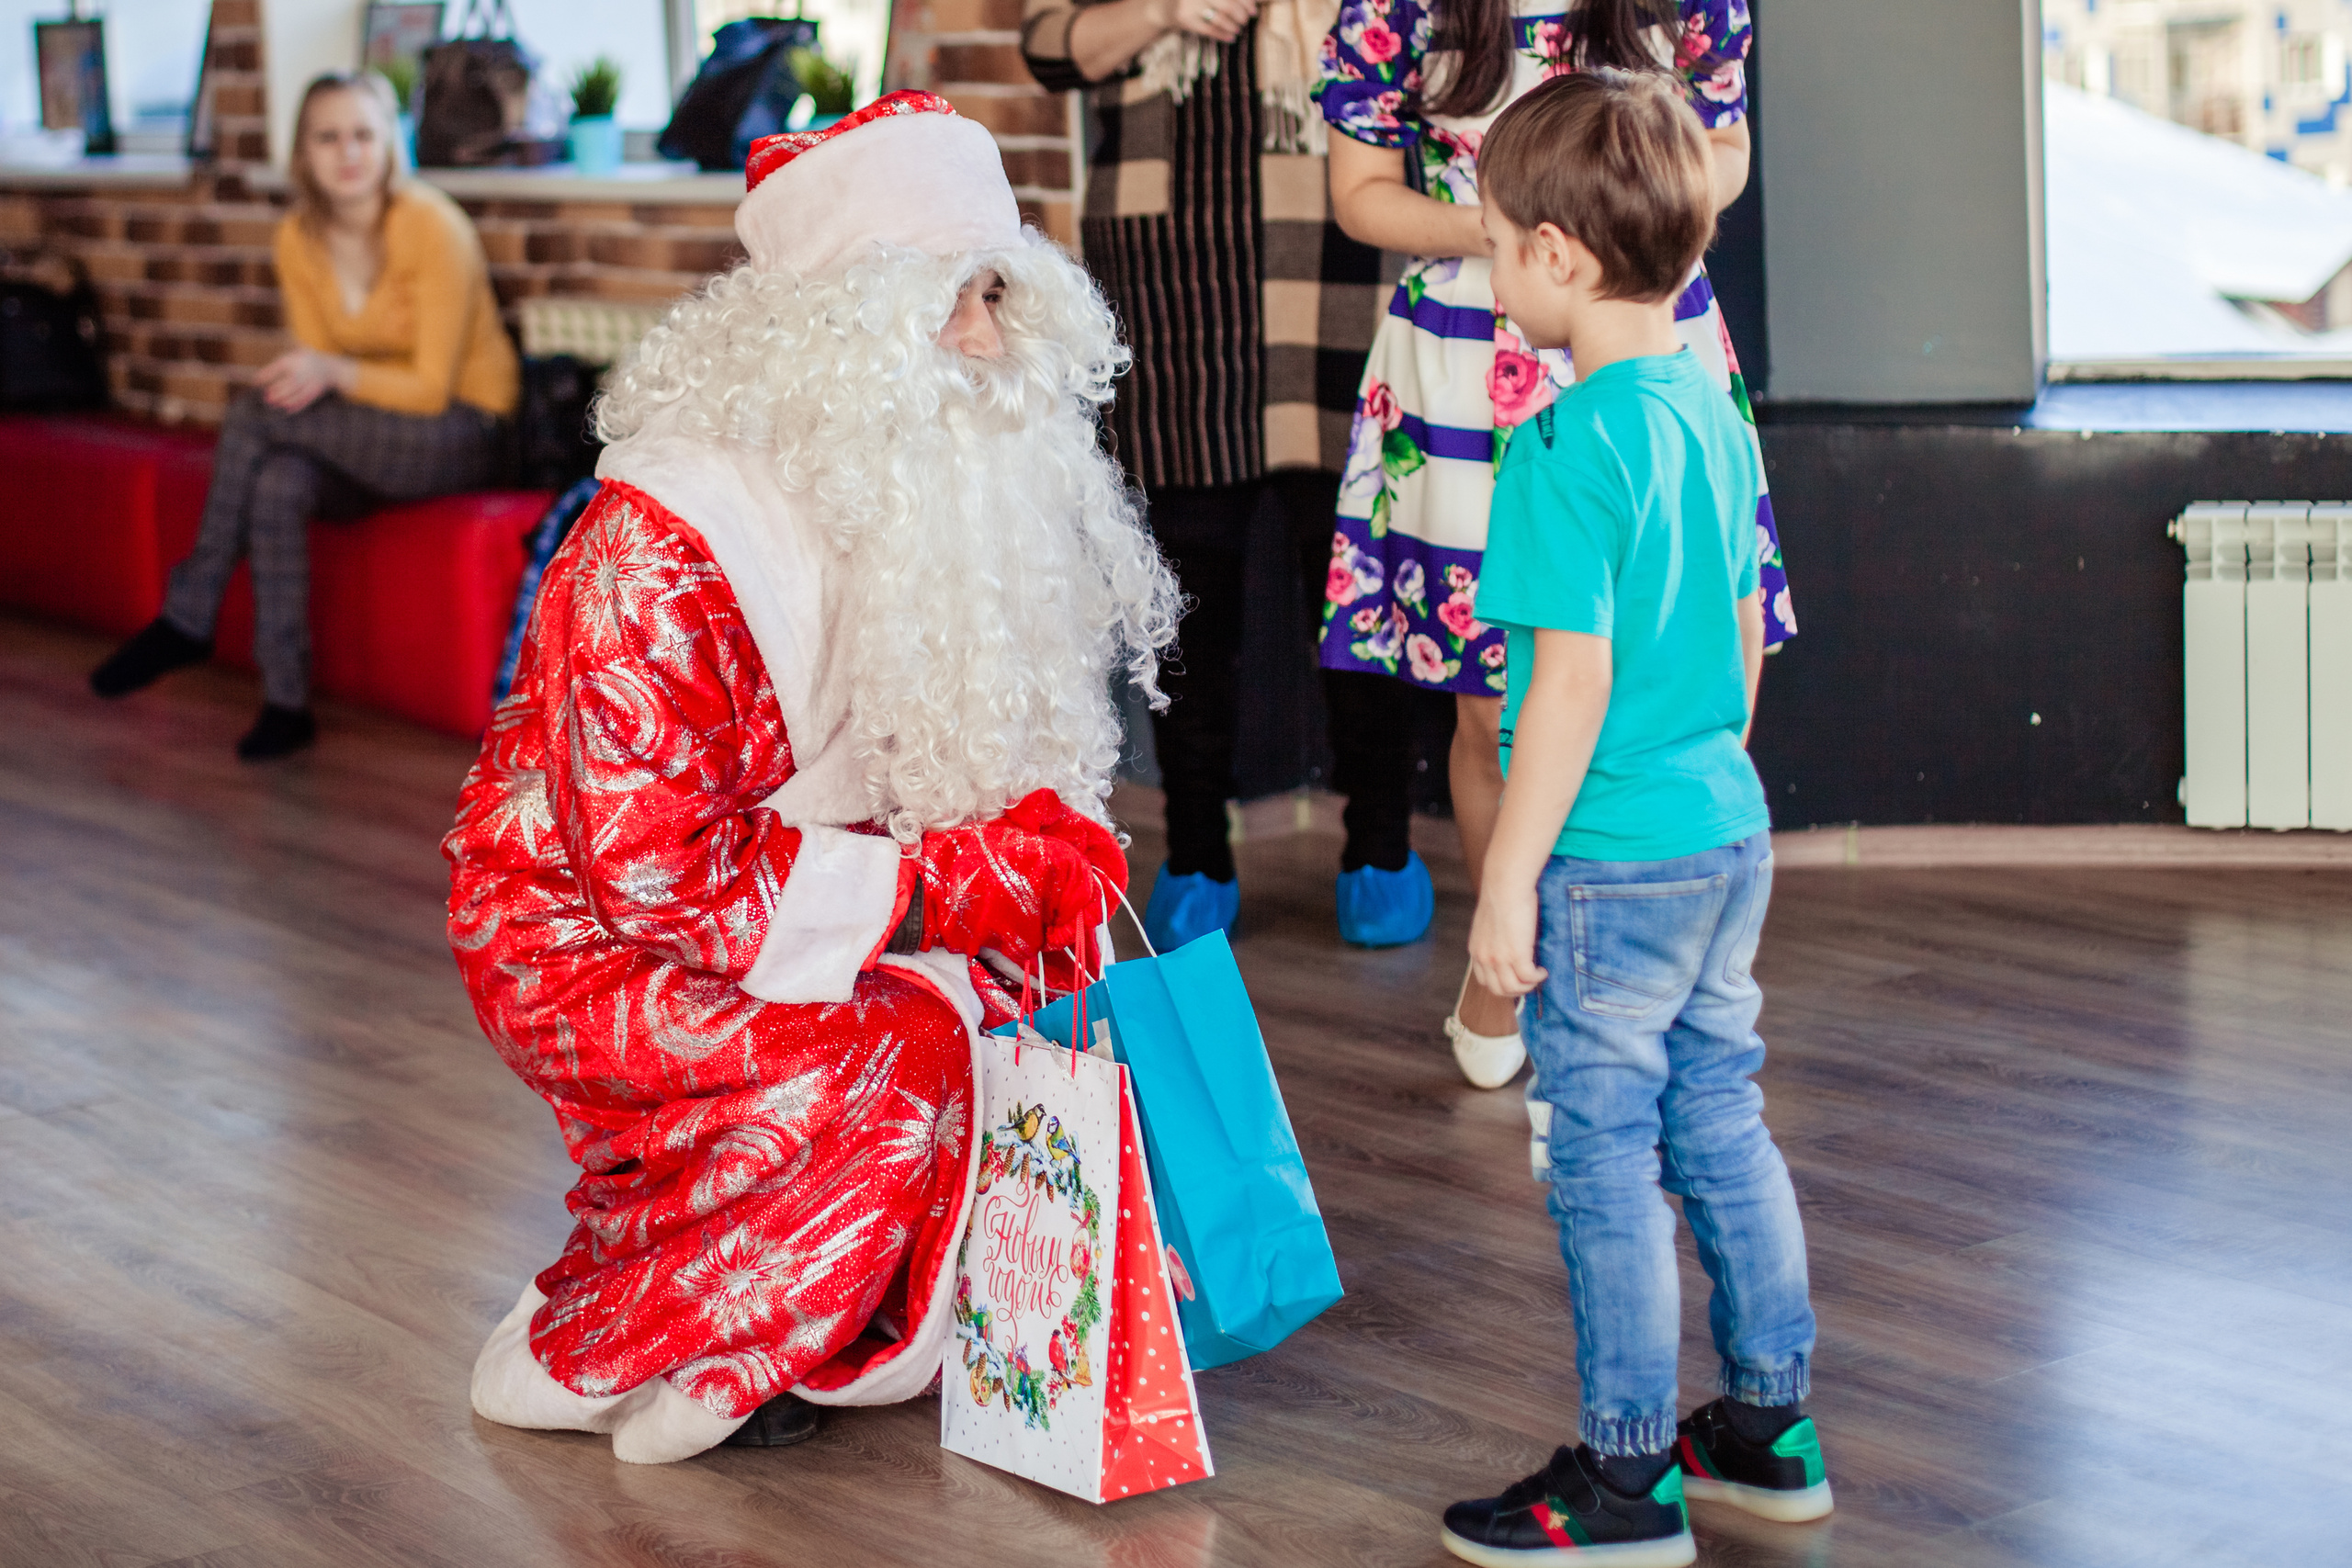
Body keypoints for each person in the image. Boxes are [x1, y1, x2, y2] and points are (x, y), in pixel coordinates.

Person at [441, 93, 1181, 1464]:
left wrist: (1028, 860)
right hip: (579, 929)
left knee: (999, 1003)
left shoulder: (947, 483)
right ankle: (621, 1335)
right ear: (831, 331)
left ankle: (797, 1317)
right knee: (893, 1053)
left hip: (798, 895)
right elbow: (649, 864)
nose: (983, 341)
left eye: (998, 294)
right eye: (947, 303)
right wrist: (948, 887)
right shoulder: (663, 538)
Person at [1441, 73, 1826, 1564]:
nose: (1488, 273)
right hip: (1725, 829)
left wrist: (1507, 883)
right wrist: (1708, 768)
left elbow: (1572, 688)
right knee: (1721, 1118)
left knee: (1600, 1153)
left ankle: (1620, 1478)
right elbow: (1741, 630)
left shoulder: (1561, 447)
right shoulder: (1709, 409)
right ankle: (1765, 1427)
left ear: (1557, 258)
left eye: (1489, 244)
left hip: (1610, 858)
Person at [1315, 0, 1793, 1089]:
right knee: (1491, 696)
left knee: (1670, 649)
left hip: (1636, 318)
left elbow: (1724, 150)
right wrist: (1511, 226)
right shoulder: (1396, 8)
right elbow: (1358, 195)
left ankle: (1651, 934)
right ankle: (1509, 966)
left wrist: (1605, 223)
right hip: (1464, 339)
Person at [1022, 0, 1442, 952]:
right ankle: (1197, 853)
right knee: (1188, 589)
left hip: (1342, 256)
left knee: (1352, 574)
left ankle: (1379, 846)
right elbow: (1047, 45)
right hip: (1177, 281)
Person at [88, 72, 519, 760]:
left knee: (258, 415)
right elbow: (314, 365)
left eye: (362, 135)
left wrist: (332, 373)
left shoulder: (432, 226)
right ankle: (285, 701)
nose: (347, 152)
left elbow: (430, 389)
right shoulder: (298, 236)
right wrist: (319, 374)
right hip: (369, 432)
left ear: (388, 145)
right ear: (304, 153)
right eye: (327, 137)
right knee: (280, 478)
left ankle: (188, 612)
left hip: (464, 431)